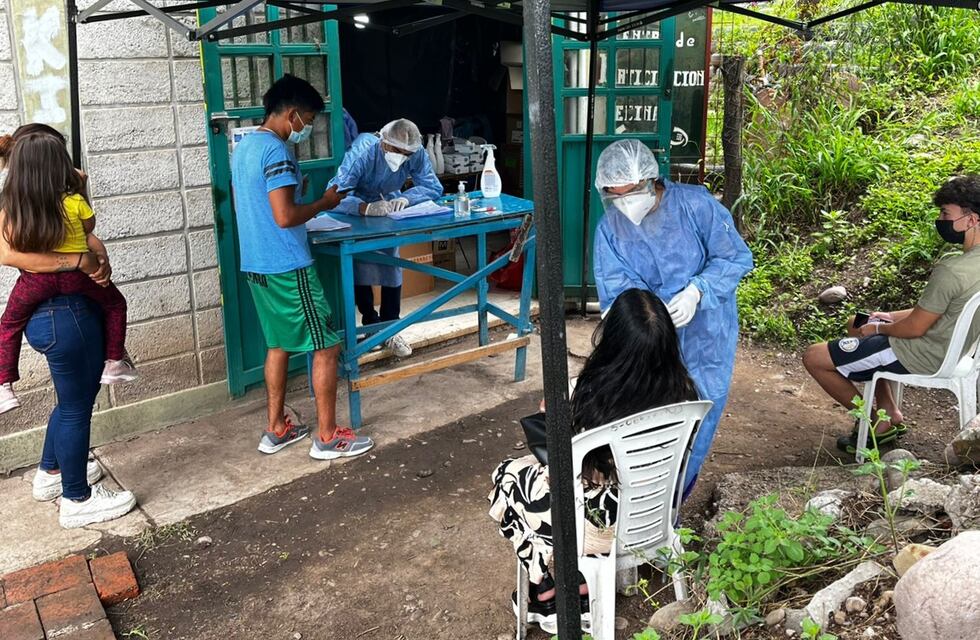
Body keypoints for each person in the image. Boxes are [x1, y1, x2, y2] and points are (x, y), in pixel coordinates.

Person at [488, 289, 699, 634]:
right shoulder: (687, 394)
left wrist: (558, 410)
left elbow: (565, 462)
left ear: (612, 339)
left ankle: (549, 590)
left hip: (593, 530)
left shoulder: (589, 394)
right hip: (651, 517)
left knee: (508, 476)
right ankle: (574, 586)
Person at [591, 139, 753, 494]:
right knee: (645, 415)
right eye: (615, 195)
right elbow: (615, 287)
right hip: (648, 342)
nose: (625, 203)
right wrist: (629, 317)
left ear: (652, 181)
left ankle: (674, 501)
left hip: (706, 337)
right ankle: (638, 496)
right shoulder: (610, 229)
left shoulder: (696, 206)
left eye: (631, 192)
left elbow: (734, 258)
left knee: (696, 417)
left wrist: (699, 290)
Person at [231, 73, 374, 460]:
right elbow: (284, 216)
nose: (306, 130)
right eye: (307, 122)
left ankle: (276, 428)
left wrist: (301, 199)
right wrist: (324, 202)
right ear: (292, 114)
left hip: (256, 265)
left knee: (278, 345)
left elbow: (265, 206)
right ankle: (327, 437)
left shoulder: (245, 146)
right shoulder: (276, 151)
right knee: (327, 346)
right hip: (287, 266)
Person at [0, 130, 136, 529]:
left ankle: (51, 472)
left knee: (69, 401)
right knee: (78, 407)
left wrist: (94, 256)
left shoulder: (16, 206)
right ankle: (77, 498)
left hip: (43, 315)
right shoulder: (68, 203)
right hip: (69, 316)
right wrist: (82, 259)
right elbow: (85, 235)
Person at [804, 175, 980, 454]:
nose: (940, 219)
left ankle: (874, 421)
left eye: (946, 213)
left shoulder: (953, 270)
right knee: (856, 322)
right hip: (951, 349)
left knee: (813, 357)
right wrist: (886, 315)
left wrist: (879, 329)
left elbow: (915, 328)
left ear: (971, 220)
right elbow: (939, 310)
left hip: (919, 351)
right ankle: (889, 411)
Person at [327, 119, 443, 358]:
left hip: (391, 208)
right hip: (357, 208)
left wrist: (408, 199)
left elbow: (433, 186)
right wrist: (363, 209)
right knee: (360, 265)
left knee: (392, 265)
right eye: (398, 152)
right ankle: (371, 323)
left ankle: (391, 327)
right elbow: (334, 193)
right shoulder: (363, 152)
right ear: (385, 144)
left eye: (407, 154)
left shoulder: (416, 152)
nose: (402, 157)